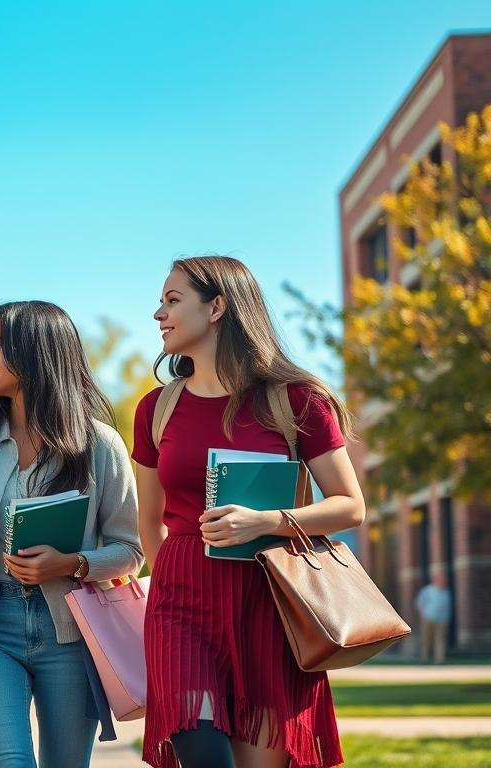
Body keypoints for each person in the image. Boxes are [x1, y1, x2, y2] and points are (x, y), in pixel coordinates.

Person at [134, 256, 365, 768]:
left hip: (268, 603)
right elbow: (148, 519)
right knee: (201, 753)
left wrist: (267, 522)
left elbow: (350, 505)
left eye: (172, 301)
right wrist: (169, 578)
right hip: (179, 604)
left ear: (217, 307)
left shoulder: (298, 400)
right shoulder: (156, 408)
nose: (158, 314)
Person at [0, 301, 142, 768]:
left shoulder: (99, 444)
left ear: (38, 351)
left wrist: (72, 564)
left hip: (70, 631)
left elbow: (130, 551)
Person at [416, 574, 452, 664]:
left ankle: (439, 659)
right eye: (442, 580)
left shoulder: (446, 592)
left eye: (444, 580)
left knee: (440, 640)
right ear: (436, 580)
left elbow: (447, 607)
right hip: (428, 619)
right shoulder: (427, 591)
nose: (444, 582)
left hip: (442, 620)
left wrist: (446, 618)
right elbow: (420, 603)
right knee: (426, 639)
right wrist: (423, 616)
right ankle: (424, 658)